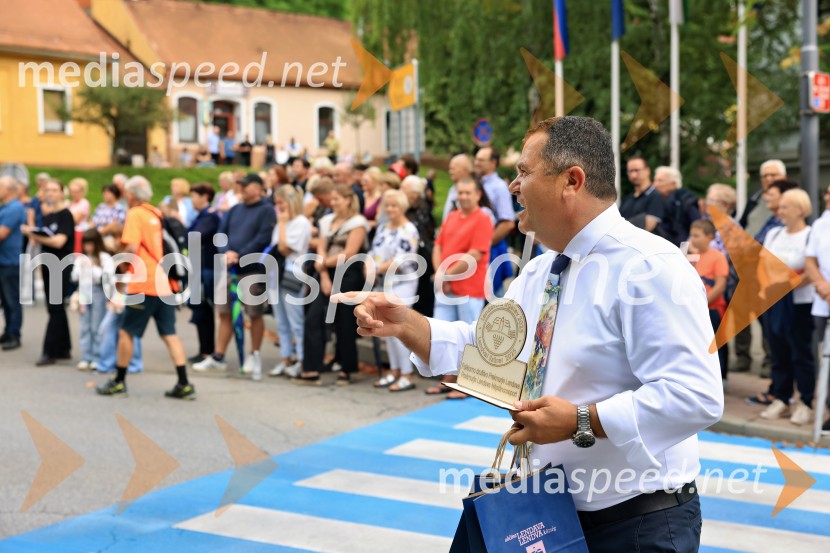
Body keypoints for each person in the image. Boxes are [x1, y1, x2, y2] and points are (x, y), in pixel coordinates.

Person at [343, 116, 722, 552]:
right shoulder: (543, 269)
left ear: (571, 181)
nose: (512, 186)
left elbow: (696, 395)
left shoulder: (649, 265)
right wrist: (410, 325)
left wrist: (582, 421)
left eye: (524, 172)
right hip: (552, 515)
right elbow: (495, 358)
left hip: (635, 525)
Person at [95, 176, 193, 399]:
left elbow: (130, 246)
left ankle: (119, 382)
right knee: (169, 334)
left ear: (130, 195)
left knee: (126, 332)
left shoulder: (135, 214)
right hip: (164, 281)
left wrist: (121, 266)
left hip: (143, 282)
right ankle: (184, 383)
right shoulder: (156, 213)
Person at [193, 174, 276, 380]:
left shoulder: (266, 210)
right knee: (224, 312)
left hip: (252, 269)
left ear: (258, 188)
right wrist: (227, 252)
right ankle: (218, 356)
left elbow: (263, 237)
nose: (243, 189)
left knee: (253, 313)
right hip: (229, 268)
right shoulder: (235, 209)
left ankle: (254, 354)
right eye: (241, 185)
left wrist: (240, 255)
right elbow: (221, 233)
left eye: (247, 185)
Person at [294, 184, 368, 386]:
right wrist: (324, 274)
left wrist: (323, 264)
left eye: (337, 199)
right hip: (325, 272)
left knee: (344, 321)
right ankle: (311, 369)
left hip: (348, 273)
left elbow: (350, 252)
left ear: (348, 200)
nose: (333, 203)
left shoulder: (358, 223)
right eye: (332, 199)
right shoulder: (326, 221)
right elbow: (321, 247)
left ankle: (347, 369)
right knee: (313, 318)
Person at [428, 177, 494, 399]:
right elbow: (438, 245)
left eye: (468, 192)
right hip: (446, 284)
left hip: (469, 285)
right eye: (460, 192)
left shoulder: (483, 219)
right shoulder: (452, 217)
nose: (463, 196)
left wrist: (445, 274)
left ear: (477, 194)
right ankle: (448, 378)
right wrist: (441, 273)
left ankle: (466, 383)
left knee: (468, 333)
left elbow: (475, 254)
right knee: (443, 330)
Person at [759, 189, 816, 426]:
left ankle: (806, 402)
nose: (779, 211)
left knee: (800, 353)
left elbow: (814, 268)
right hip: (774, 301)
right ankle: (782, 397)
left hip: (800, 303)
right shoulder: (774, 234)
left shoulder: (810, 235)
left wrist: (788, 283)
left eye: (785, 207)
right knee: (778, 350)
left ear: (800, 209)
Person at [368, 190, 420, 392]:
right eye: (387, 205)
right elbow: (373, 252)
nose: (390, 209)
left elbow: (402, 260)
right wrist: (368, 266)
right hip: (383, 283)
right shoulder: (382, 228)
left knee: (398, 328)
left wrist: (375, 269)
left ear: (402, 207)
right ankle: (394, 370)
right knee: (386, 329)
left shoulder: (409, 230)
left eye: (394, 206)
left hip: (402, 284)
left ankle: (407, 373)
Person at [21, 179, 76, 365]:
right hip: (48, 264)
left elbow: (59, 241)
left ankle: (49, 350)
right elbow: (44, 237)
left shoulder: (65, 215)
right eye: (47, 190)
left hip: (61, 265)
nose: (50, 193)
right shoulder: (48, 215)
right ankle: (64, 348)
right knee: (56, 307)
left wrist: (32, 234)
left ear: (62, 193)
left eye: (54, 190)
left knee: (54, 307)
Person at [267, 185, 311, 378]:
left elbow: (285, 248)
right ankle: (286, 358)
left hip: (292, 274)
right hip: (277, 273)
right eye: (276, 203)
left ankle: (302, 360)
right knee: (281, 321)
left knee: (296, 321)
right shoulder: (281, 222)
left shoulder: (301, 222)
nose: (278, 207)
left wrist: (283, 223)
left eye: (281, 203)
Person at [689, 219, 729, 386]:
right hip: (695, 308)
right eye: (691, 235)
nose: (693, 239)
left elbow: (720, 285)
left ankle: (721, 378)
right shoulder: (692, 255)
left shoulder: (718, 257)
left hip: (712, 308)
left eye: (697, 236)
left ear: (710, 237)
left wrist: (703, 303)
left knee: (716, 344)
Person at [805, 183, 830, 432]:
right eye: (827, 192)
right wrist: (823, 286)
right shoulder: (820, 225)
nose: (827, 197)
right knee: (824, 357)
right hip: (823, 300)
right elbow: (810, 260)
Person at [475, 147, 516, 296]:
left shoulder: (499, 187)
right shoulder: (477, 183)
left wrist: (483, 246)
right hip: (477, 255)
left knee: (492, 303)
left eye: (480, 160)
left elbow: (508, 223)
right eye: (476, 159)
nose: (476, 163)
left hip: (491, 253)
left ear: (493, 162)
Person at [186, 183, 220, 363]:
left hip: (207, 267)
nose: (192, 200)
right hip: (200, 267)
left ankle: (208, 351)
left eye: (194, 196)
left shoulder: (210, 216)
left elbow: (194, 235)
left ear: (205, 196)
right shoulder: (202, 215)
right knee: (200, 310)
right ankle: (204, 350)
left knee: (204, 310)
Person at [71, 228, 114, 371]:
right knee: (84, 326)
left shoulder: (104, 257)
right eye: (86, 244)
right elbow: (74, 276)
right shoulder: (81, 258)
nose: (88, 247)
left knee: (97, 325)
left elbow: (105, 277)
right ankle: (86, 357)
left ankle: (97, 356)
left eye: (91, 244)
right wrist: (81, 269)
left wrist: (92, 268)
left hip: (98, 291)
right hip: (84, 291)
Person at [401, 175, 436, 318]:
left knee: (422, 299)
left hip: (421, 259)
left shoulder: (421, 207)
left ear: (415, 193)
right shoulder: (409, 207)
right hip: (413, 259)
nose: (400, 193)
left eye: (404, 190)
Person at [0, 177, 26, 350]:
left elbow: (2, 234)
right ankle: (8, 330)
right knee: (5, 299)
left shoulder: (14, 208)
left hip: (10, 261)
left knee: (12, 299)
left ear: (9, 189)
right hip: (4, 260)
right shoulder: (5, 207)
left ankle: (14, 334)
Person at [653, 166, 700, 246]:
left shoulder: (685, 201)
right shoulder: (655, 201)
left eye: (660, 181)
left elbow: (697, 225)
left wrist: (687, 246)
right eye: (655, 180)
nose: (655, 184)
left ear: (673, 184)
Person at [619, 155, 665, 233]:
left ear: (647, 171)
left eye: (637, 170)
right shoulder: (627, 199)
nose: (633, 175)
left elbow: (648, 226)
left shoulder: (656, 197)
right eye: (630, 171)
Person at [739, 159, 786, 235]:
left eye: (773, 175)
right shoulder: (753, 201)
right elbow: (741, 226)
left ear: (784, 178)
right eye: (765, 176)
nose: (768, 179)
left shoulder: (791, 201)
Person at [91, 184, 127, 252]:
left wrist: (98, 233)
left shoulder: (120, 208)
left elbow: (116, 226)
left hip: (111, 236)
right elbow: (93, 221)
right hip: (96, 235)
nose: (105, 195)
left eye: (107, 193)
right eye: (104, 193)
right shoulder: (100, 207)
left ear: (114, 194)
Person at [442, 154, 474, 223]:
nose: (450, 172)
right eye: (450, 169)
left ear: (465, 170)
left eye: (453, 169)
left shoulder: (474, 191)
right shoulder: (452, 190)